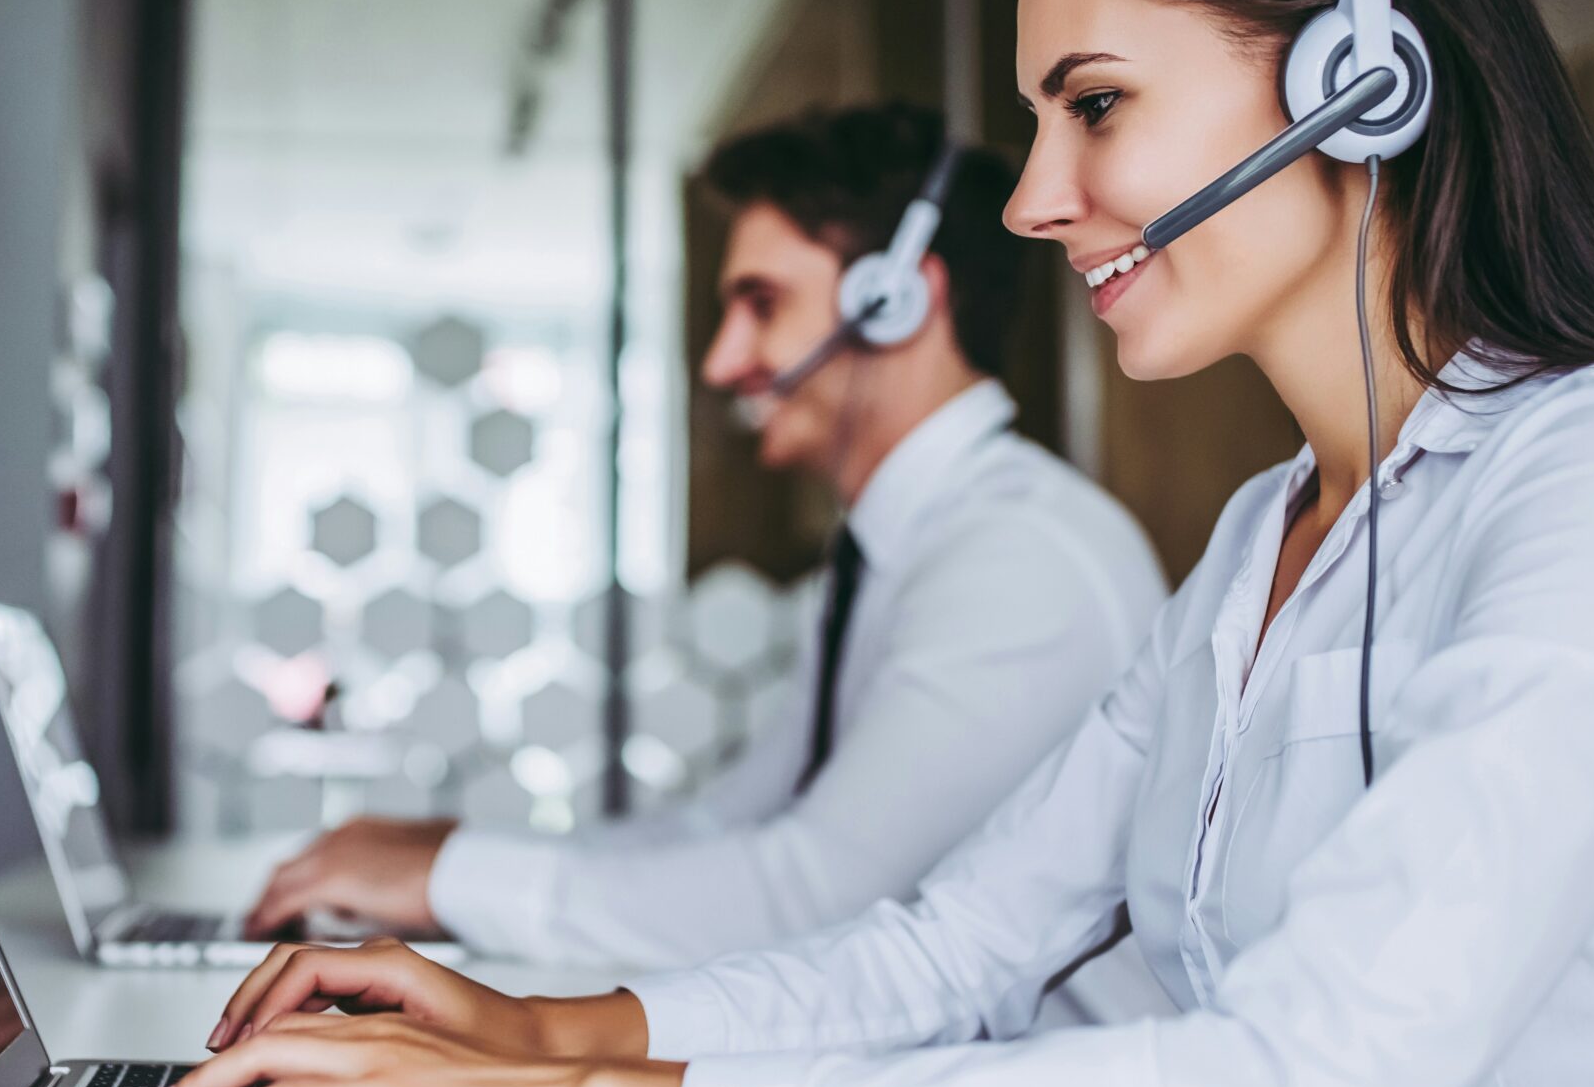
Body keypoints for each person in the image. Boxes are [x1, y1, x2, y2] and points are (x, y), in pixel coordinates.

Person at [145, 0, 1594, 1087]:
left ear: (1361, 75)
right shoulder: (1263, 538)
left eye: (1094, 105)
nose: (1037, 198)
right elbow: (952, 947)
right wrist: (542, 1030)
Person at [243, 102, 1167, 986]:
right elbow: (722, 829)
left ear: (894, 301)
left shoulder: (1017, 560)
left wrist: (450, 882)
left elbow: (815, 897)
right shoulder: (891, 551)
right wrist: (449, 857)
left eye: (761, 303)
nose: (724, 361)